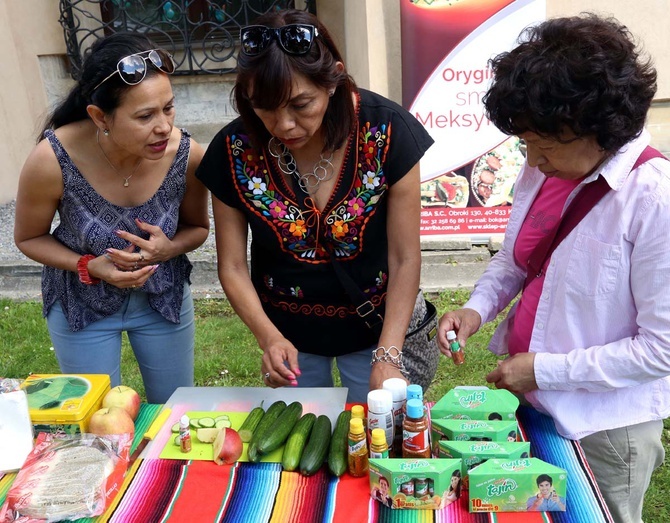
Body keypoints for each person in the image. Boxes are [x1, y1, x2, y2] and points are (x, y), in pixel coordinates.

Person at [437, 14, 668, 523]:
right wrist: (476, 309)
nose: (533, 160)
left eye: (543, 144)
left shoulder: (654, 198)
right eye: (525, 144)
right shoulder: (544, 167)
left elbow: (662, 349)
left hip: (605, 429)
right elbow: (516, 259)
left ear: (595, 126)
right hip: (534, 406)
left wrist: (542, 367)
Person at [196, 9, 434, 402]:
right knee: (302, 440)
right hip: (288, 331)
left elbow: (405, 256)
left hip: (374, 325)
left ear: (334, 79)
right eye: (264, 107)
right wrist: (268, 337)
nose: (283, 124)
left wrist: (389, 352)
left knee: (376, 439)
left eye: (301, 105)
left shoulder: (389, 132)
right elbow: (233, 266)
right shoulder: (234, 149)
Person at [14, 33, 209, 404]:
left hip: (163, 300)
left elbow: (198, 228)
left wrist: (169, 249)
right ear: (99, 116)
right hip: (80, 304)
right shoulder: (51, 159)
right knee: (94, 419)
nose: (164, 127)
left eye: (168, 108)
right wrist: (90, 265)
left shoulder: (187, 155)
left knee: (174, 411)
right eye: (145, 116)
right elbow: (28, 238)